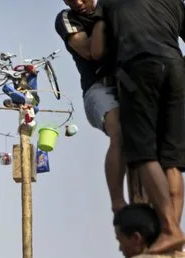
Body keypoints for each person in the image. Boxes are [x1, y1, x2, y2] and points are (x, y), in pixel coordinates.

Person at [92, 0, 185, 253]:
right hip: (176, 68)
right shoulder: (174, 2)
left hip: (138, 68)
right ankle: (173, 232)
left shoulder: (109, 2)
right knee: (171, 159)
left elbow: (97, 51)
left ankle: (169, 229)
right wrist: (172, 66)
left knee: (142, 151)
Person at [55, 0, 125, 213]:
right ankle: (118, 204)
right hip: (98, 88)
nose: (77, 2)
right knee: (120, 133)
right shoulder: (67, 18)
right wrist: (103, 20)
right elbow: (88, 50)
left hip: (129, 83)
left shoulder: (118, 7)